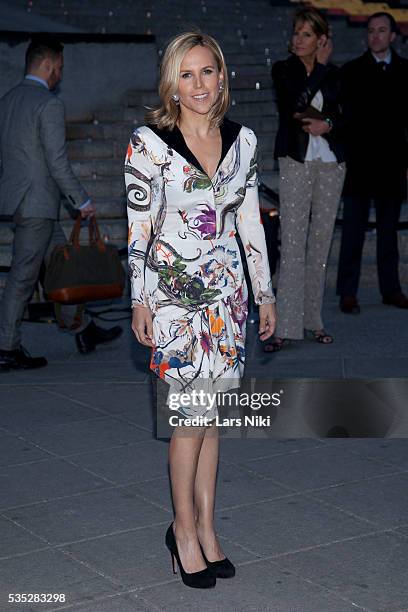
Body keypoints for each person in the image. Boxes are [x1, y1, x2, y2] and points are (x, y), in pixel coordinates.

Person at [125, 32, 276, 588]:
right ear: (172, 81)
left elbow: (249, 223)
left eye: (206, 72)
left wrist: (265, 292)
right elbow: (139, 229)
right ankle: (182, 533)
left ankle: (208, 529)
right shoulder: (149, 143)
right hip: (172, 302)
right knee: (189, 422)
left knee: (214, 422)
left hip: (228, 298)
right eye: (185, 75)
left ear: (222, 77)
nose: (197, 85)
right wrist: (138, 298)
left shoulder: (244, 141)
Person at [0, 38, 122, 371]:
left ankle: (83, 330)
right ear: (50, 64)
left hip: (24, 201)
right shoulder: (48, 104)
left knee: (60, 266)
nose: (60, 74)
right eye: (61, 68)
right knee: (23, 277)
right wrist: (81, 200)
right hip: (37, 203)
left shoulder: (7, 100)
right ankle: (6, 348)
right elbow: (57, 162)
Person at [264, 7, 346, 352]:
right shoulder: (283, 70)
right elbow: (293, 106)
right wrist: (320, 69)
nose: (299, 40)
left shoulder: (337, 74)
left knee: (321, 242)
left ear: (322, 40)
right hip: (296, 159)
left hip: (331, 163)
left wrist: (330, 124)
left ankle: (314, 320)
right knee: (293, 241)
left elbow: (347, 115)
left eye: (307, 35)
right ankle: (284, 324)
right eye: (296, 33)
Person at [336, 12, 408, 314]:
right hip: (360, 165)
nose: (375, 36)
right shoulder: (351, 71)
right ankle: (348, 293)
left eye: (381, 31)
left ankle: (391, 290)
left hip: (392, 164)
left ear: (393, 36)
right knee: (352, 231)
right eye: (371, 31)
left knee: (389, 232)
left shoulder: (406, 71)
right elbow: (344, 120)